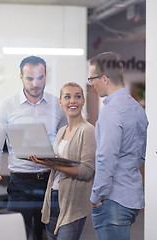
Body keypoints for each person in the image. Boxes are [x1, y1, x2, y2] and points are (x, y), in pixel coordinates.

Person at [0, 55, 67, 240]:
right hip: (21, 184)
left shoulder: (58, 106)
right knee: (16, 234)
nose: (35, 83)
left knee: (46, 236)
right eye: (30, 78)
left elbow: (68, 144)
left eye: (40, 78)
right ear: (20, 77)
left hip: (50, 182)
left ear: (46, 76)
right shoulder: (6, 106)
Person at [87, 52, 148, 240]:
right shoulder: (137, 108)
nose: (91, 84)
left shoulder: (111, 111)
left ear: (104, 78)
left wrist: (96, 198)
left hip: (113, 199)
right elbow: (140, 157)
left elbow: (106, 159)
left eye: (92, 78)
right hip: (131, 195)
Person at [29, 82, 96, 240]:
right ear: (60, 102)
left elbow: (87, 171)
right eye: (67, 97)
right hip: (53, 197)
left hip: (72, 202)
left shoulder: (88, 130)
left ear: (83, 101)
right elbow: (57, 162)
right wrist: (43, 160)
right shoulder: (61, 131)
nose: (72, 100)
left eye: (77, 96)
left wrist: (53, 164)